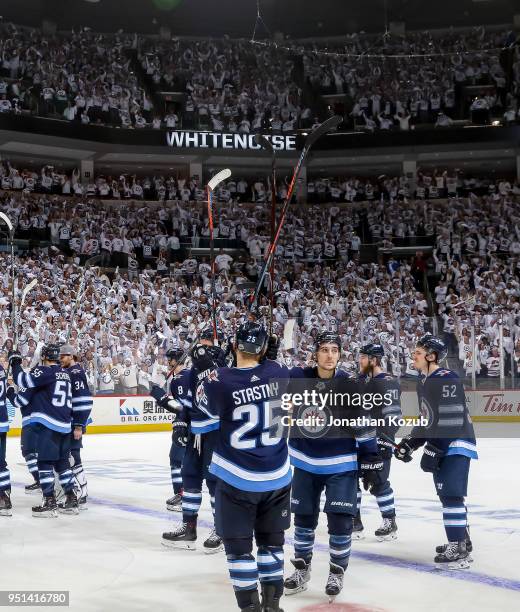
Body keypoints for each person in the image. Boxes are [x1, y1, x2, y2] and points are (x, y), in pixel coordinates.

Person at [284, 333, 383, 602]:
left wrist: (370, 458)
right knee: (303, 519)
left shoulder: (348, 384)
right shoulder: (299, 377)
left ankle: (336, 572)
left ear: (340, 355)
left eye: (335, 350)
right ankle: (302, 570)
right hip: (305, 462)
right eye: (324, 350)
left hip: (341, 463)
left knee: (340, 520)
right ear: (315, 353)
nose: (330, 355)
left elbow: (363, 422)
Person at [198, 321, 290, 612]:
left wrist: (205, 369)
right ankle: (273, 607)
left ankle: (250, 609)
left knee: (239, 550)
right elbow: (263, 372)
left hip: (237, 478)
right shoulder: (279, 372)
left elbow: (205, 408)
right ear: (263, 349)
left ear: (234, 345)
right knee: (272, 546)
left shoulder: (220, 379)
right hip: (276, 476)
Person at [394, 334, 477, 569]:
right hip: (446, 444)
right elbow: (427, 418)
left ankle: (458, 547)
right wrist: (410, 442)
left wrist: (436, 448)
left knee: (451, 496)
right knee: (447, 496)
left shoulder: (445, 377)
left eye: (418, 353)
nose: (414, 357)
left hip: (455, 443)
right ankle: (462, 538)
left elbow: (451, 416)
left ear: (431, 356)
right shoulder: (425, 382)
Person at [161, 329, 226, 553]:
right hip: (195, 434)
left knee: (214, 482)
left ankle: (221, 529)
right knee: (189, 479)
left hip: (215, 434)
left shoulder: (222, 371)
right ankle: (189, 528)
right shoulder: (190, 375)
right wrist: (180, 423)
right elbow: (185, 406)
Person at [8, 344, 76, 517]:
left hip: (49, 424)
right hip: (65, 425)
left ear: (44, 357)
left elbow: (22, 381)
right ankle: (71, 498)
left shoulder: (46, 372)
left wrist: (15, 362)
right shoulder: (66, 374)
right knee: (62, 463)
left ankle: (49, 501)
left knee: (44, 462)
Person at [355, 343, 402, 540]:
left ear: (373, 360)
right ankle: (354, 522)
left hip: (378, 441)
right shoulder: (369, 382)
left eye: (364, 358)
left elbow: (393, 417)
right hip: (362, 439)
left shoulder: (384, 382)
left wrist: (384, 441)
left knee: (378, 481)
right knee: (352, 481)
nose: (360, 361)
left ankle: (389, 522)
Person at [150, 348, 188, 512]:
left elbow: (182, 408)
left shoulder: (181, 378)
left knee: (177, 459)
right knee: (179, 460)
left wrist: (162, 399)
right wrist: (163, 400)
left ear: (176, 360)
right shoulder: (181, 377)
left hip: (185, 425)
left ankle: (182, 495)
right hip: (186, 424)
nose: (168, 362)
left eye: (170, 359)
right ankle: (183, 494)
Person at [59, 344, 93, 510]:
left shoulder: (76, 372)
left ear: (71, 356)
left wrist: (79, 425)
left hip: (74, 423)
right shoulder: (68, 372)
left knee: (73, 456)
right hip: (69, 422)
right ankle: (78, 489)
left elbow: (84, 400)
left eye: (63, 356)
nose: (61, 359)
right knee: (68, 456)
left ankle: (82, 491)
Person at [0, 361, 11, 515]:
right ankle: (5, 494)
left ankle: (2, 496)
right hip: (2, 419)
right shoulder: (1, 369)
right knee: (1, 461)